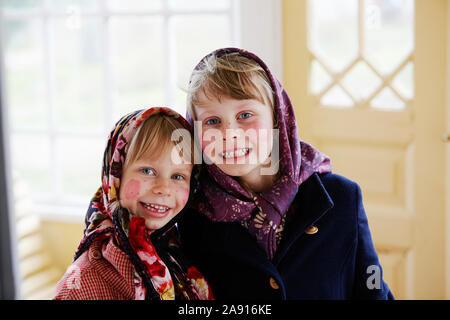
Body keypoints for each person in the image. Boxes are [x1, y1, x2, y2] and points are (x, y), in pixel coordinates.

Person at [177, 47, 394, 299]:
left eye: (245, 115)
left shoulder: (342, 197)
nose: (230, 134)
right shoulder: (191, 216)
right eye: (213, 121)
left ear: (277, 118)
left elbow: (373, 286)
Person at [54, 107, 214, 300]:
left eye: (178, 176)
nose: (163, 188)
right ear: (115, 177)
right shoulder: (83, 284)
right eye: (147, 171)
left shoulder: (180, 256)